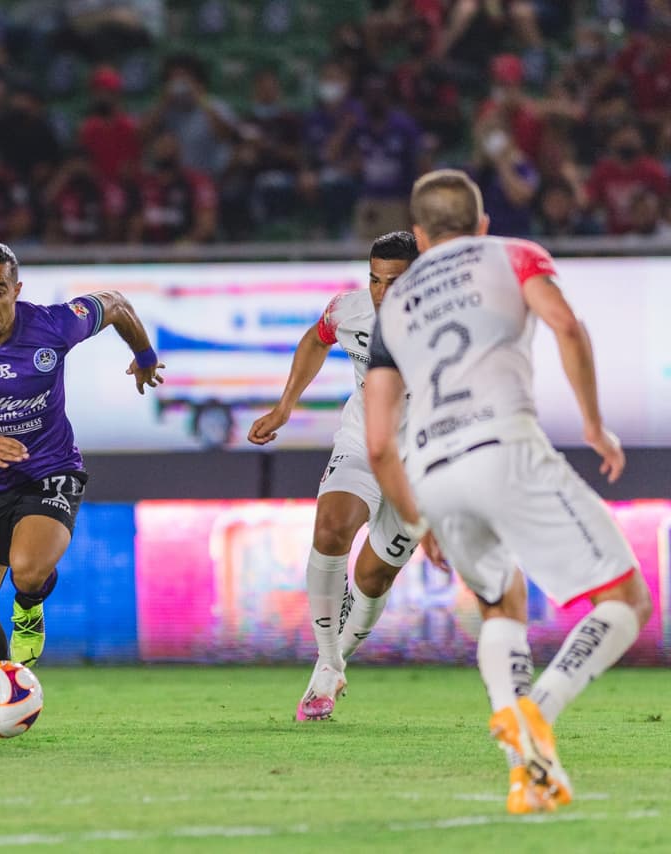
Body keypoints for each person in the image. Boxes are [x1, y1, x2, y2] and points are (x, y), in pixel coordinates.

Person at [363, 169, 652, 813]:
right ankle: (536, 710)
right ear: (482, 223)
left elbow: (379, 442)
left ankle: (527, 774)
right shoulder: (512, 254)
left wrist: (417, 520)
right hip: (504, 446)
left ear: (418, 236)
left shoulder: (395, 307)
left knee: (501, 602)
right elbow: (566, 325)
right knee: (626, 599)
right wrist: (594, 425)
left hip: (431, 470)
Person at [0, 242, 163, 671]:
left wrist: (145, 355)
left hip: (51, 470)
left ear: (16, 290)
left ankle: (29, 604)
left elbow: (116, 304)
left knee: (26, 570)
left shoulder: (53, 325)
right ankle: (5, 688)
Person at [247, 231, 420, 722]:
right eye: (375, 280)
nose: (381, 292)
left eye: (394, 282)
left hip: (421, 460)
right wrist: (285, 407)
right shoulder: (351, 310)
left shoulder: (452, 326)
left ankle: (332, 664)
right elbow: (315, 339)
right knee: (330, 529)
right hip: (362, 442)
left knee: (373, 575)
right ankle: (327, 664)